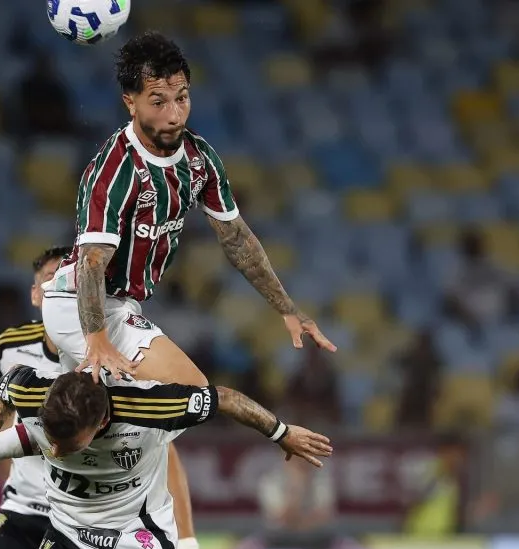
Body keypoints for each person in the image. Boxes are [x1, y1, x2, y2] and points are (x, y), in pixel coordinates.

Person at [40, 32, 336, 390]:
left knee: (85, 433)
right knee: (192, 392)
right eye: (158, 102)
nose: (174, 115)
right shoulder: (115, 168)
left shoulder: (200, 159)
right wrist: (97, 340)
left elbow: (237, 240)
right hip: (81, 307)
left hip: (119, 306)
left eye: (181, 98)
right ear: (130, 103)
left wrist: (287, 308)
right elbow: (91, 263)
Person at [0, 248, 212, 549]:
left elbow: (158, 449)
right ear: (36, 295)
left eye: (70, 282)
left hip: (94, 523)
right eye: (50, 281)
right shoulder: (12, 347)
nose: (62, 290)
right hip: (27, 505)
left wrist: (188, 547)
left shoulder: (112, 356)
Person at [0, 366, 331, 549]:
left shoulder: (152, 410)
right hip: (67, 539)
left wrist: (281, 433)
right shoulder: (40, 396)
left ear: (101, 422)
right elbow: (6, 389)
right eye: (50, 439)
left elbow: (224, 399)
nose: (53, 450)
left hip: (136, 547)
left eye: (65, 445)